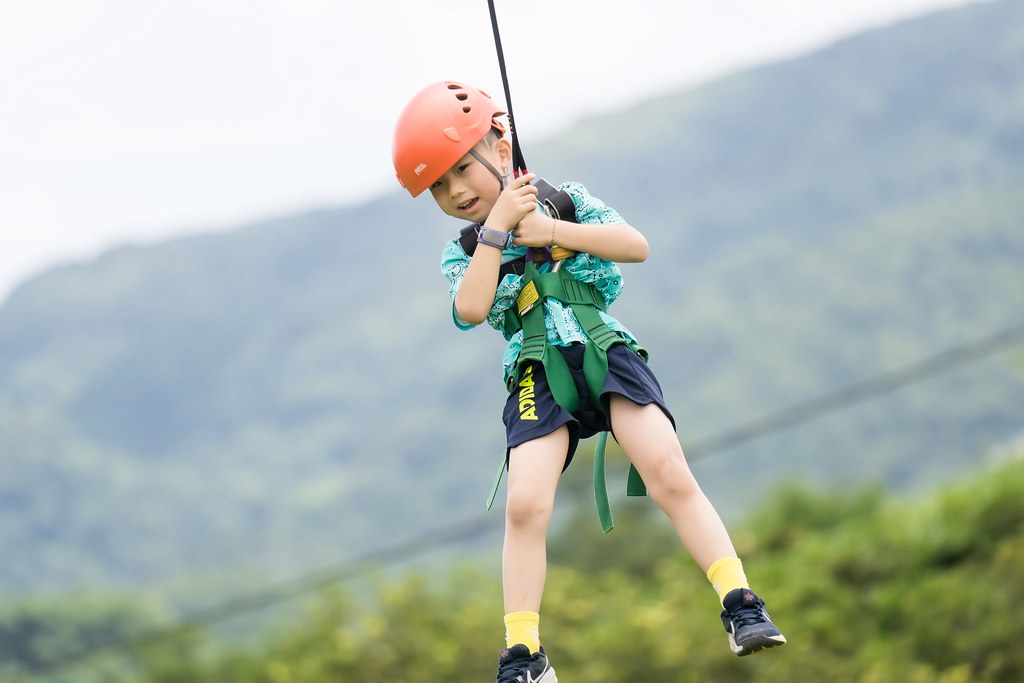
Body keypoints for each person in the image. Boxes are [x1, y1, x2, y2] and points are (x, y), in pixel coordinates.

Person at [392, 80, 786, 682]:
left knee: (667, 468)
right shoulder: (466, 250)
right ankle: (523, 653)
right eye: (439, 188)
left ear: (502, 148)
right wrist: (497, 232)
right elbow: (471, 309)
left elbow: (634, 246)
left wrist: (551, 233)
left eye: (460, 171)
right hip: (536, 369)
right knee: (525, 504)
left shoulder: (564, 201)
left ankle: (740, 602)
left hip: (603, 349)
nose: (455, 192)